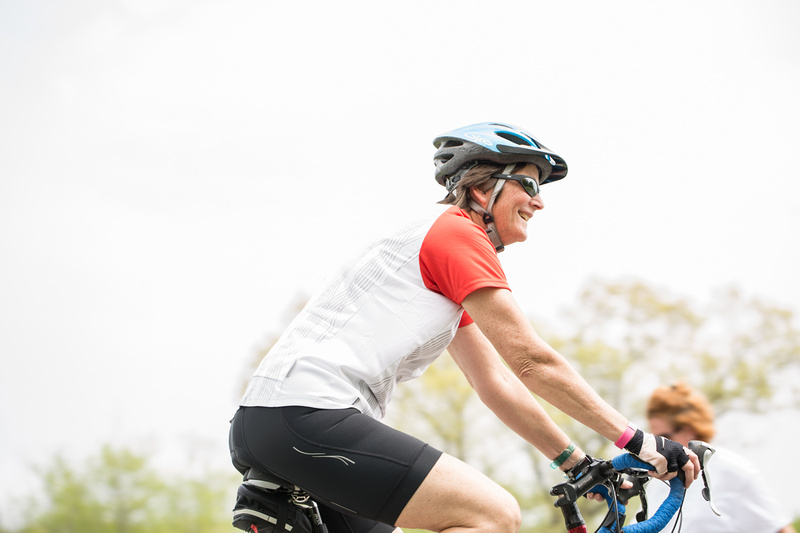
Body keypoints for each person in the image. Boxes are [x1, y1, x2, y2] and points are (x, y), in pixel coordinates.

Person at [229, 122, 700, 533]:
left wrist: (576, 464)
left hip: (277, 421)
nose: (538, 202)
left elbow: (493, 383)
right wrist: (638, 440)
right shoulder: (457, 233)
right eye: (528, 185)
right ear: (481, 190)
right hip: (309, 414)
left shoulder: (436, 249)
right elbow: (531, 361)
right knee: (492, 516)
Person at [647, 383, 796, 533]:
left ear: (689, 429)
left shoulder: (733, 470)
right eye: (656, 441)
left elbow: (780, 529)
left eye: (665, 438)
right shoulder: (660, 481)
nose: (660, 447)